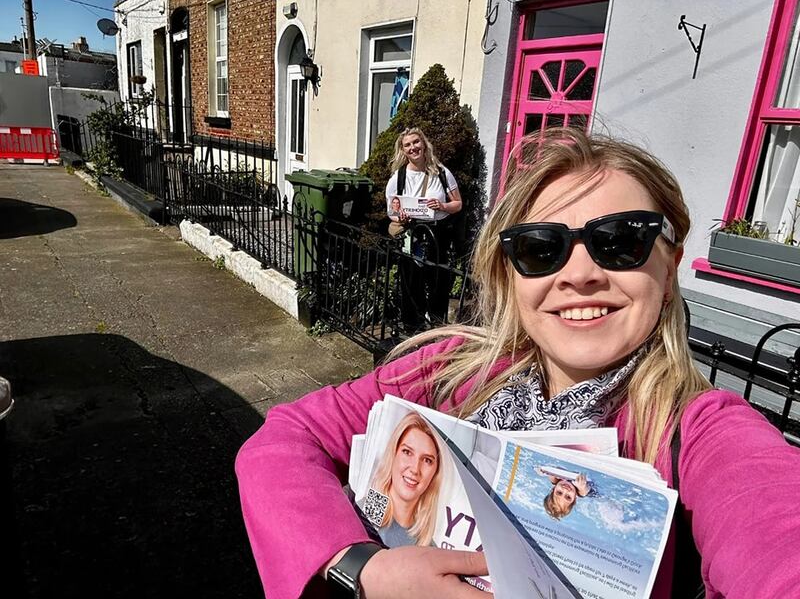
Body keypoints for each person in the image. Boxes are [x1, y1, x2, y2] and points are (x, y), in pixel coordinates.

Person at [236, 127, 800, 599]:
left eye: (620, 241)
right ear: (510, 272)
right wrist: (362, 566)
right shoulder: (450, 372)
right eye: (540, 248)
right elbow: (284, 441)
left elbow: (775, 532)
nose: (579, 275)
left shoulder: (698, 433)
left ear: (670, 263)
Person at [385, 127, 463, 331]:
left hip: (439, 233)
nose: (413, 148)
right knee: (411, 280)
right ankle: (412, 326)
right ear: (402, 150)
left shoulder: (442, 172)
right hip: (412, 233)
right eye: (408, 145)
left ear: (424, 144)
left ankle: (436, 326)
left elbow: (458, 204)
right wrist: (399, 216)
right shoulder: (398, 178)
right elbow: (391, 211)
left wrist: (443, 206)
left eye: (416, 142)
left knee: (438, 280)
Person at [364, 412, 444, 547]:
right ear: (393, 453)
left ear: (435, 473)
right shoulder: (367, 507)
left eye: (427, 460)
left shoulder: (428, 546)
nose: (415, 469)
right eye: (407, 452)